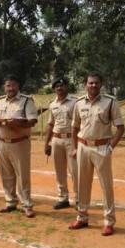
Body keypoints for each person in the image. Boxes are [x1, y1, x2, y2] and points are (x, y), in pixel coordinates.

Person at [69, 72, 125, 236]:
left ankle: (109, 221)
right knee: (82, 184)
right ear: (85, 84)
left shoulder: (110, 102)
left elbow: (120, 127)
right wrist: (74, 148)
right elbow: (74, 128)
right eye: (90, 83)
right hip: (83, 147)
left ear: (101, 85)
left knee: (106, 186)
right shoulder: (79, 103)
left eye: (96, 83)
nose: (93, 86)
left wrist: (111, 147)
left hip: (102, 148)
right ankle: (82, 217)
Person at [0, 74, 38, 218]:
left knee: (22, 175)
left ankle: (27, 205)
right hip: (2, 141)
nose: (10, 88)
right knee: (6, 174)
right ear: (4, 87)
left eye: (13, 85)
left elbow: (32, 121)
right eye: (8, 86)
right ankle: (10, 202)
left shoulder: (26, 101)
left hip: (19, 142)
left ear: (18, 86)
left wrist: (18, 123)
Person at [44, 77, 79, 210]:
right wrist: (46, 142)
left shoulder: (75, 102)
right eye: (57, 86)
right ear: (54, 88)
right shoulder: (53, 104)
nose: (59, 88)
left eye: (62, 85)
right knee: (59, 171)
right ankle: (63, 197)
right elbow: (50, 124)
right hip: (56, 139)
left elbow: (79, 123)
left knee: (74, 171)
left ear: (66, 87)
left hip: (71, 140)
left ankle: (78, 198)